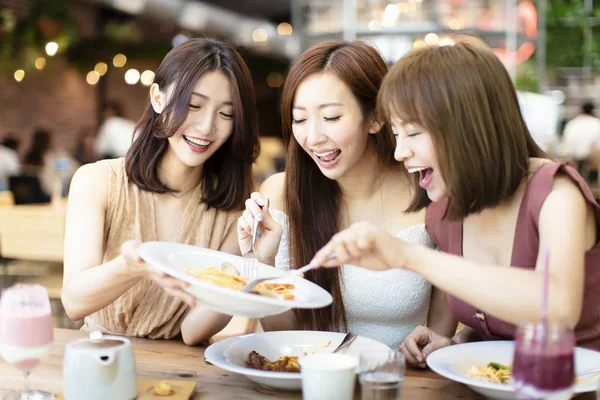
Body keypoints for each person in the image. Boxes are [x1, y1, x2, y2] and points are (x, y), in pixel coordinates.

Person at [310, 36, 600, 366]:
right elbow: (502, 328)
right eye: (396, 132)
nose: (399, 152)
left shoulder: (556, 194)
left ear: (466, 126)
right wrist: (456, 341)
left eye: (413, 132)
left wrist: (408, 255)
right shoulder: (445, 213)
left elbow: (556, 306)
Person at [238, 40, 457, 349]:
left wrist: (425, 350)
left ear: (376, 117)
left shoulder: (431, 194)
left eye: (331, 118)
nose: (313, 138)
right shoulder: (280, 194)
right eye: (299, 119)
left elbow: (438, 339)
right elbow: (281, 335)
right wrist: (264, 262)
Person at [61, 38, 260, 344]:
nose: (207, 127)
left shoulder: (233, 209)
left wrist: (250, 263)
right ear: (157, 98)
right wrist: (130, 267)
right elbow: (74, 303)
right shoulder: (97, 180)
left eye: (226, 114)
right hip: (100, 357)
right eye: (193, 105)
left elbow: (193, 333)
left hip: (179, 369)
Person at [562, 101, 600, 167]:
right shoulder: (596, 123)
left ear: (581, 110)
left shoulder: (572, 123)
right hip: (591, 161)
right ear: (593, 111)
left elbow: (566, 142)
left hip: (572, 159)